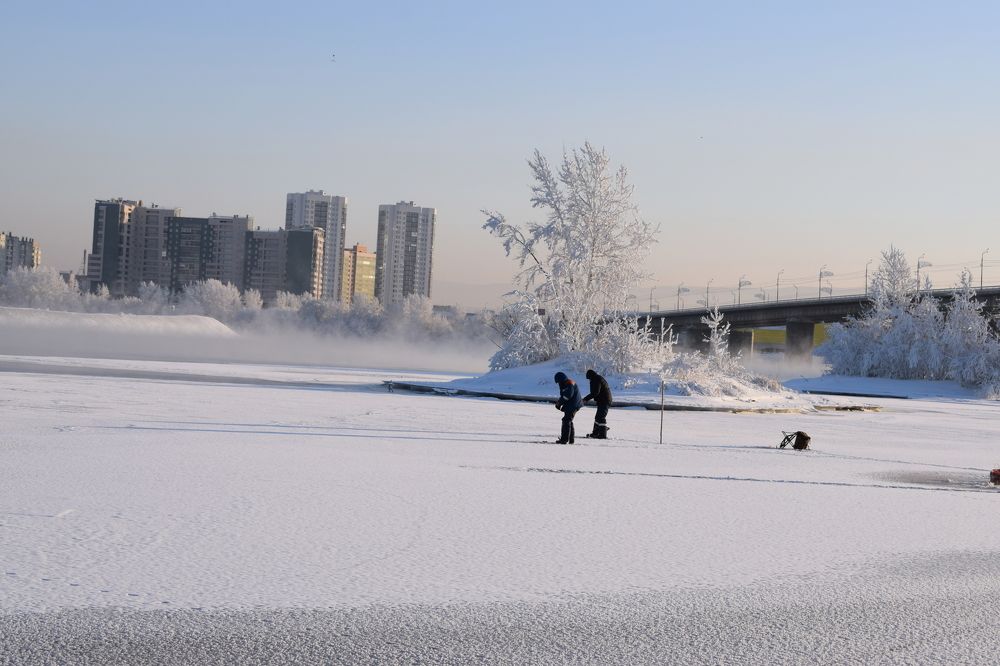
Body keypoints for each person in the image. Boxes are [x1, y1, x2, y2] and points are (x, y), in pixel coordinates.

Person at [553, 371, 583, 444]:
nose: (558, 384)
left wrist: (559, 403)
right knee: (568, 420)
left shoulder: (569, 384)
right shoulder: (566, 384)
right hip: (572, 404)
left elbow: (567, 396)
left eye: (558, 382)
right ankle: (570, 439)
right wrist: (562, 405)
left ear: (561, 380)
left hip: (574, 405)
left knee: (566, 420)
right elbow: (564, 396)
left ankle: (564, 439)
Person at [583, 369, 613, 439]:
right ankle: (595, 433)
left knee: (601, 417)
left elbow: (595, 392)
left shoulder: (596, 380)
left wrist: (585, 399)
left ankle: (603, 434)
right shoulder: (596, 378)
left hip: (605, 400)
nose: (589, 380)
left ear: (590, 376)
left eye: (589, 378)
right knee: (598, 417)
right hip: (602, 400)